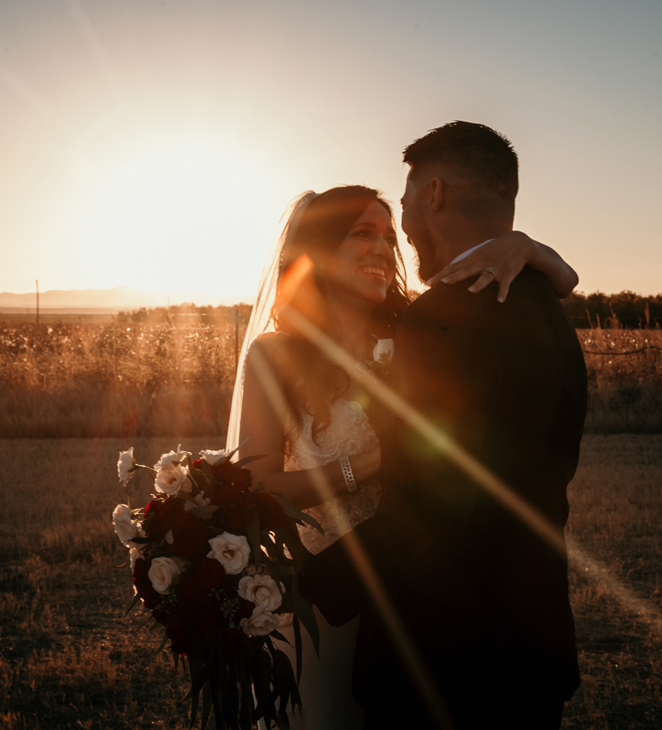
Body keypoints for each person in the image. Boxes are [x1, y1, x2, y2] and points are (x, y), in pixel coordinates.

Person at [229, 176, 580, 729]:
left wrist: (528, 247)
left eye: (389, 236)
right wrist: (362, 465)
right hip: (323, 587)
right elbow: (256, 484)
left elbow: (560, 284)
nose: (382, 249)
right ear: (317, 252)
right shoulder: (274, 359)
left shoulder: (417, 334)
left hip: (416, 587)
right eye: (361, 234)